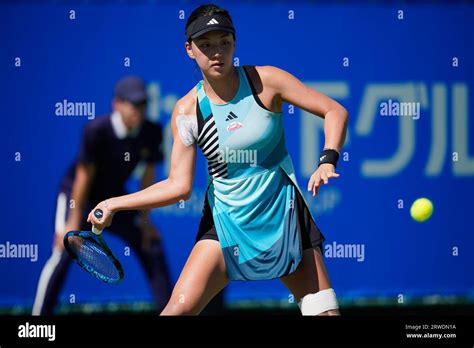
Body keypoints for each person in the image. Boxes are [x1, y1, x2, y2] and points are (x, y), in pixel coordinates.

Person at [87, 4, 348, 316]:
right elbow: (179, 186)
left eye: (224, 42)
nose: (217, 53)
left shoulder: (266, 81)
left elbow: (334, 111)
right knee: (176, 312)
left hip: (283, 218)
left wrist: (327, 160)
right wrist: (116, 202)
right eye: (206, 45)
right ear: (189, 50)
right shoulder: (187, 111)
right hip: (226, 225)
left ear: (234, 43)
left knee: (324, 313)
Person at [32, 76, 173, 315]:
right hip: (79, 196)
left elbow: (147, 178)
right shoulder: (96, 131)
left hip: (114, 200)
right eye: (132, 104)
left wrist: (146, 222)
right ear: (116, 104)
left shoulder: (152, 132)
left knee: (152, 246)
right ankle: (37, 322)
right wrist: (72, 222)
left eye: (143, 104)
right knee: (64, 249)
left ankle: (170, 311)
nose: (138, 110)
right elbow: (83, 177)